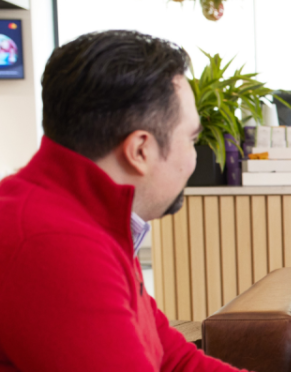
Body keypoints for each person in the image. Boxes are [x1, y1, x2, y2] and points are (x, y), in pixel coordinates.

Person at [0, 31, 243, 371]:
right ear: (140, 149)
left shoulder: (88, 216)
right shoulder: (54, 243)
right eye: (191, 139)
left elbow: (173, 359)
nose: (194, 159)